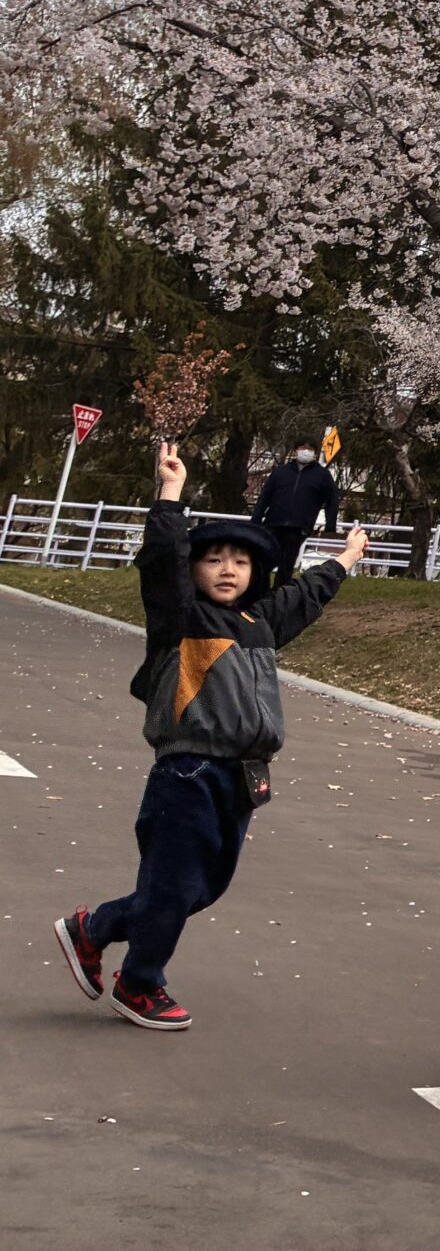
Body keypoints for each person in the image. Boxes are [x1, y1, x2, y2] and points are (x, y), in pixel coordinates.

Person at [55, 442, 365, 1033]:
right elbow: (163, 561)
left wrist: (345, 559)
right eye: (215, 559)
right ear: (195, 569)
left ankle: (92, 929)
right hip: (188, 772)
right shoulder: (180, 617)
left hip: (243, 775)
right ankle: (140, 983)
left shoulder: (258, 624)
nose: (228, 569)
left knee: (205, 886)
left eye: (241, 562)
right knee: (173, 886)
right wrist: (169, 495)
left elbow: (304, 597)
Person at [249, 435, 339, 574]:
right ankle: (261, 590)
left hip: (299, 526)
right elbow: (265, 496)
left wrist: (330, 526)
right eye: (303, 448)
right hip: (274, 522)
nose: (305, 451)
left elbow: (331, 501)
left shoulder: (322, 475)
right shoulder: (281, 471)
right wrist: (256, 518)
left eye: (309, 449)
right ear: (296, 450)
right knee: (265, 559)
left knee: (287, 563)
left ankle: (280, 592)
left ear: (315, 452)